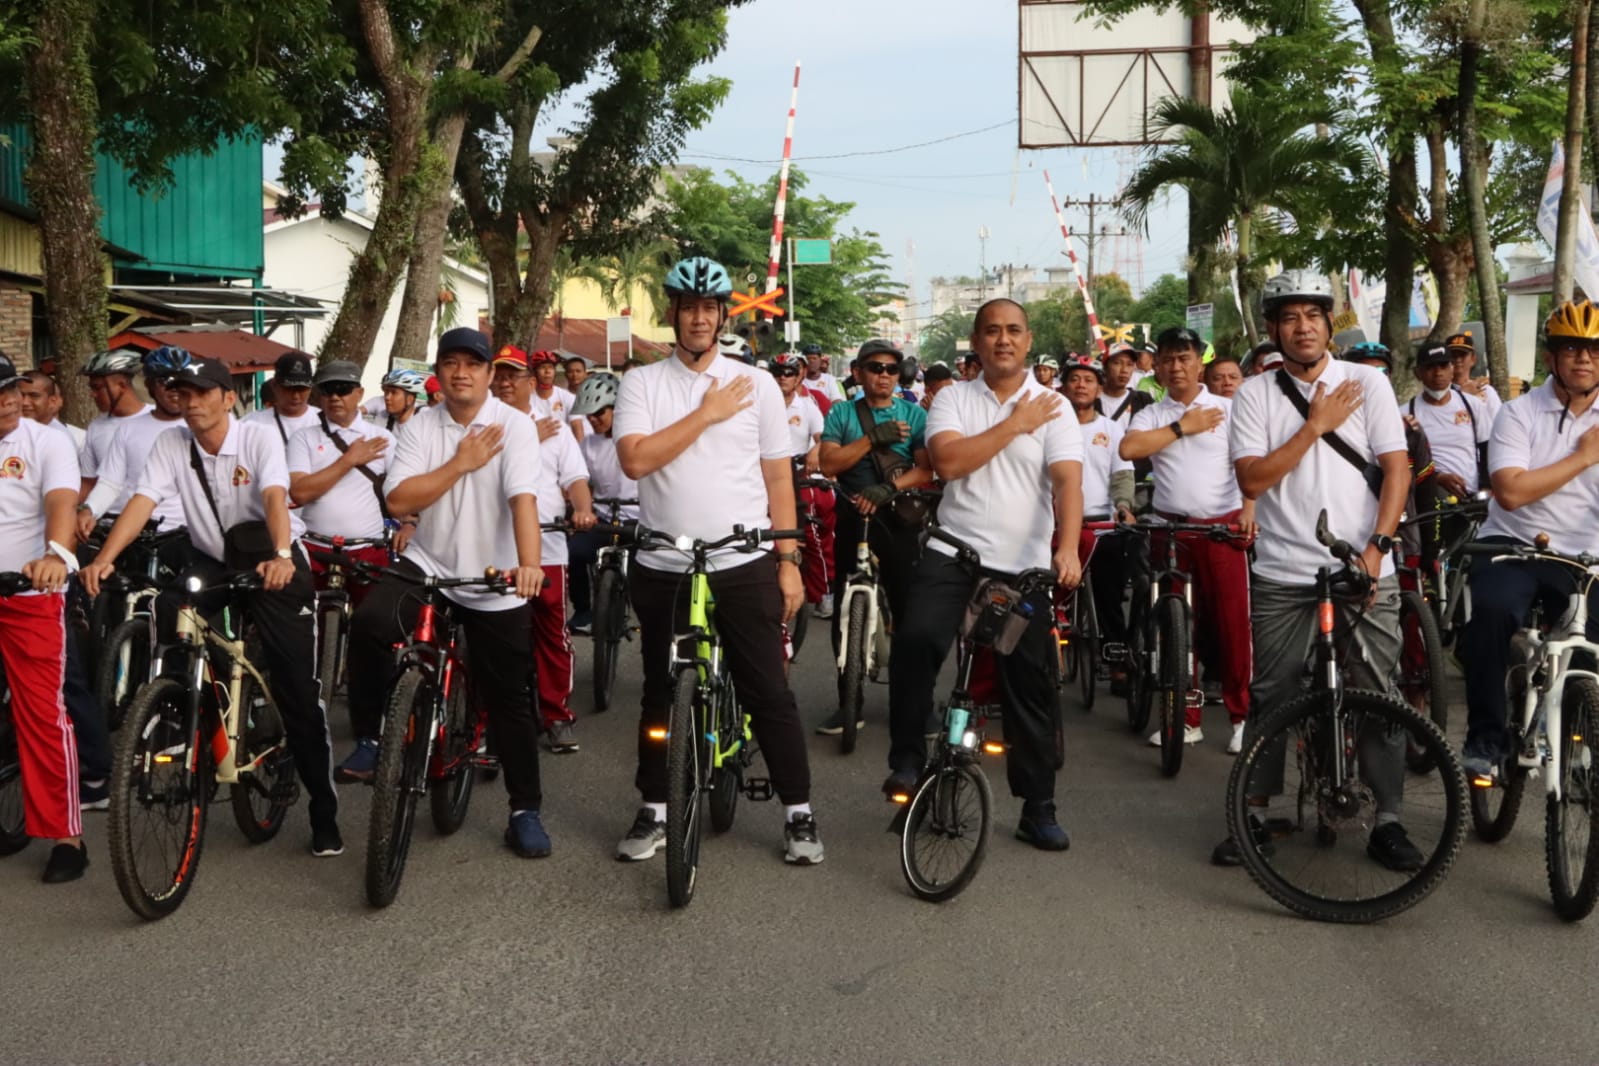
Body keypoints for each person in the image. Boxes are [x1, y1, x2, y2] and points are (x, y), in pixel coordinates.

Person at [81, 357, 346, 857]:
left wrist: (284, 556)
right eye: (184, 392)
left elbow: (274, 496)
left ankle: (323, 809)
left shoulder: (257, 438)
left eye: (204, 392)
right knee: (168, 616)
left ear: (229, 398)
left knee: (296, 689)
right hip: (215, 562)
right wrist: (104, 560)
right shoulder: (171, 443)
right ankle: (189, 713)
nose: (192, 401)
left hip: (274, 560)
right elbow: (141, 501)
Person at [612, 256, 822, 866]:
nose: (698, 318)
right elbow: (636, 461)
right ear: (672, 312)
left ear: (722, 316)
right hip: (663, 560)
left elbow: (777, 476)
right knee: (659, 693)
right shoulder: (643, 384)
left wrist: (788, 559)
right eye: (688, 307)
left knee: (767, 691)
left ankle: (798, 812)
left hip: (743, 557)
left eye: (709, 309)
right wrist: (705, 412)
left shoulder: (755, 384)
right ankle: (653, 807)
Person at [1217, 268, 1419, 870]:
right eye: (1288, 317)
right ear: (1273, 330)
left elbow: (1397, 469)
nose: (1302, 327)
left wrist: (1378, 548)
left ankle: (1388, 818)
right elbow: (1252, 479)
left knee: (1377, 691)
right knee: (1274, 693)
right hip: (1282, 568)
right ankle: (1254, 812)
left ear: (1331, 322)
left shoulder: (1367, 383)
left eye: (1312, 315)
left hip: (1362, 563)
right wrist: (1314, 425)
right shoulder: (1255, 394)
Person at [343, 327, 552, 857]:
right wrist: (460, 463)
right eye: (451, 362)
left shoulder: (515, 426)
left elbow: (523, 498)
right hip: (428, 563)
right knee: (368, 625)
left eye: (473, 364)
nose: (462, 372)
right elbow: (398, 500)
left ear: (488, 375)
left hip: (495, 576)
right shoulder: (422, 427)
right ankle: (370, 738)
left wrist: (529, 566)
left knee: (509, 699)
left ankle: (524, 808)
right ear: (438, 372)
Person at [887, 299, 1083, 850]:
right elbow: (948, 464)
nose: (1003, 340)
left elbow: (1067, 482)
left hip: (1023, 568)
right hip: (955, 555)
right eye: (992, 331)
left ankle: (1037, 805)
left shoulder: (1055, 407)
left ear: (1028, 339)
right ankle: (906, 762)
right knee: (917, 640)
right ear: (975, 341)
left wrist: (1066, 548)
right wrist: (1014, 423)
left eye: (1013, 331)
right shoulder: (952, 398)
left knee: (1031, 686)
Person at [1457, 300, 1599, 784]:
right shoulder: (1518, 412)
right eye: (1572, 349)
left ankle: (1579, 730)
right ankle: (1486, 737)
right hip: (1513, 545)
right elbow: (1512, 492)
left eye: (1595, 351)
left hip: (1581, 557)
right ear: (1550, 357)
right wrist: (1583, 457)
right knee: (1491, 617)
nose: (1584, 359)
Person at [1122, 327, 1256, 754]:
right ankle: (1185, 718)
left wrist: (1250, 509)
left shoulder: (1228, 408)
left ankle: (1242, 717)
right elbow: (1129, 448)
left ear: (1201, 362)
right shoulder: (1152, 413)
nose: (1176, 366)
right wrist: (1183, 426)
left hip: (1222, 528)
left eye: (1184, 358)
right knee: (1176, 631)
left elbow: (1249, 462)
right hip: (1170, 530)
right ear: (1156, 367)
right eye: (1167, 359)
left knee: (1232, 626)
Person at [0, 351, 90, 882]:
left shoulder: (46, 441)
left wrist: (57, 553)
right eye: (0, 392)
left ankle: (67, 836)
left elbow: (61, 497)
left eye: (12, 387)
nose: (10, 398)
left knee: (42, 714)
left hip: (28, 594)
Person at [817, 338, 935, 735]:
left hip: (899, 519)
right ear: (858, 372)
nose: (884, 375)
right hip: (852, 518)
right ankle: (848, 701)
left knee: (910, 613)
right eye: (875, 368)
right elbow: (828, 462)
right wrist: (872, 439)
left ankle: (919, 703)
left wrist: (891, 488)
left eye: (891, 369)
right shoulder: (842, 412)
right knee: (843, 612)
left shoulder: (914, 415)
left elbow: (927, 470)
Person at [491, 344, 594, 755]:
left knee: (552, 632)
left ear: (530, 384)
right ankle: (484, 720)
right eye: (497, 375)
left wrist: (583, 508)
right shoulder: (480, 425)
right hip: (493, 550)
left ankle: (555, 715)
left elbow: (576, 478)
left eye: (512, 376)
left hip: (548, 546)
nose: (503, 383)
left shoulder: (557, 428)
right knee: (490, 637)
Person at [287, 360, 402, 628]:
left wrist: (409, 524)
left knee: (373, 625)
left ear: (359, 393)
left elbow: (398, 492)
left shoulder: (382, 438)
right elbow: (300, 492)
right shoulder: (303, 438)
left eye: (343, 389)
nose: (335, 397)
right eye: (327, 390)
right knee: (305, 626)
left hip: (368, 550)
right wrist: (349, 460)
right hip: (314, 549)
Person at [1060, 355, 1134, 659]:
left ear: (1099, 388)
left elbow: (1122, 475)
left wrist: (1123, 505)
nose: (1081, 385)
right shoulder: (1050, 426)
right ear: (1064, 386)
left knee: (1109, 595)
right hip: (1059, 524)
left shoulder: (1112, 429)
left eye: (1089, 380)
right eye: (1075, 379)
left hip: (1102, 523)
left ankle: (1116, 657)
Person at [80, 347, 191, 541]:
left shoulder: (197, 424)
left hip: (186, 532)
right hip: (129, 531)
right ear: (150, 386)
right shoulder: (127, 429)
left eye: (183, 382)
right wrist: (89, 510)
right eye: (165, 381)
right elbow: (109, 482)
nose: (175, 390)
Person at [566, 373, 639, 636]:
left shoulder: (637, 437)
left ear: (616, 408)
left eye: (599, 413)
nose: (593, 420)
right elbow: (579, 480)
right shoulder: (588, 443)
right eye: (588, 415)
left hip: (638, 518)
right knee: (574, 552)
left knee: (648, 566)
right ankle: (583, 609)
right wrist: (578, 510)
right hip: (604, 516)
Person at [772, 352, 835, 619]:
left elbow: (824, 437)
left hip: (799, 478)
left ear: (798, 375)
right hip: (765, 479)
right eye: (778, 372)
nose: (783, 377)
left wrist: (816, 450)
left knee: (812, 534)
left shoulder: (808, 406)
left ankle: (824, 594)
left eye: (788, 372)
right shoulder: (761, 404)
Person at [1402, 343, 1490, 500]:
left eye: (1443, 366)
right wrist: (1437, 478)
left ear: (1452, 369)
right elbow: (1401, 463)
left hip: (1473, 497)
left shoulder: (1472, 404)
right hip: (1429, 502)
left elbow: (1486, 448)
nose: (1438, 373)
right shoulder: (1404, 413)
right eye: (1430, 367)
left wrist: (1487, 487)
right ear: (1418, 373)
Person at [79, 348, 152, 501]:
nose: (92, 394)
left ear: (122, 386)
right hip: (105, 519)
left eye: (97, 387)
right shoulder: (96, 427)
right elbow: (89, 482)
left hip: (156, 520)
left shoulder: (157, 419)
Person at [244, 352, 319, 452]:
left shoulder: (324, 421)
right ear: (275, 386)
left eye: (301, 389)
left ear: (311, 388)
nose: (296, 396)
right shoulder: (251, 425)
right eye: (289, 389)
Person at [18, 371, 86, 452]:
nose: (25, 402)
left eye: (34, 396)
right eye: (21, 395)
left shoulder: (58, 439)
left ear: (52, 401)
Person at [526, 348, 583, 440]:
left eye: (550, 367)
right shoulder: (527, 398)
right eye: (543, 367)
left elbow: (577, 428)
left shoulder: (568, 397)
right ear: (534, 372)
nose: (547, 371)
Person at [1446, 331, 1503, 419]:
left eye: (1462, 355)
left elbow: (1499, 421)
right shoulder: (1441, 392)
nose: (1458, 359)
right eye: (1453, 355)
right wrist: (1462, 393)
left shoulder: (1486, 390)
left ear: (1473, 359)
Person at [369, 368, 429, 432]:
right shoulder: (383, 417)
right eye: (386, 392)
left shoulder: (426, 417)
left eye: (394, 392)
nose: (387, 397)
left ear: (410, 399)